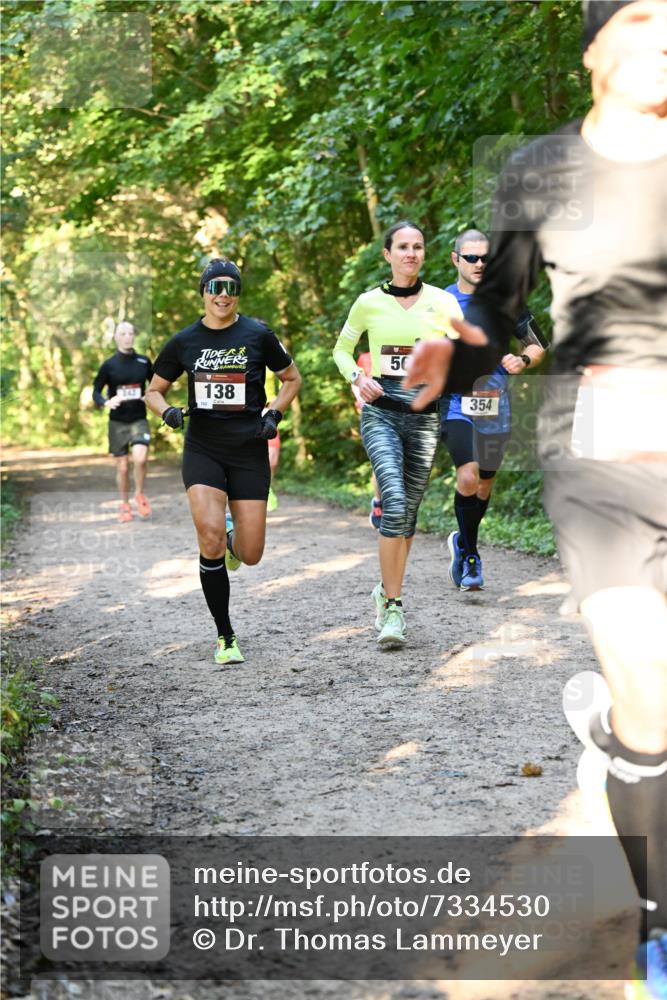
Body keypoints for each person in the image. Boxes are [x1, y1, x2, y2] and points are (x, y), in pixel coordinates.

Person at [405, 2, 667, 994]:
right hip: (599, 457)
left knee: (659, 713)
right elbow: (500, 309)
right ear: (594, 42)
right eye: (641, 16)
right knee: (650, 689)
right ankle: (656, 931)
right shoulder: (538, 172)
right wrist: (456, 343)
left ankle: (621, 758)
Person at [145, 259, 302, 666]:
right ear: (203, 291)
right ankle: (225, 635)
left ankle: (234, 543)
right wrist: (167, 413)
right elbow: (154, 391)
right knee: (209, 536)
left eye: (231, 287)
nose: (223, 294)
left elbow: (292, 379)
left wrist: (274, 414)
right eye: (215, 287)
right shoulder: (184, 341)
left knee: (251, 554)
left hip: (249, 449)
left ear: (237, 294)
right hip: (204, 448)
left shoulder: (257, 334)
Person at [333, 221, 462, 649]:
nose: (411, 253)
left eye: (418, 247)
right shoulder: (368, 303)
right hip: (381, 411)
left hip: (423, 416)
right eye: (402, 247)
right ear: (387, 254)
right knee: (393, 500)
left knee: (407, 515)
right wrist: (357, 377)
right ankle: (393, 608)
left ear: (424, 254)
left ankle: (383, 590)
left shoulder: (443, 302)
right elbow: (341, 349)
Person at [441, 229, 546, 591]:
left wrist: (522, 359)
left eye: (486, 258)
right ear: (456, 260)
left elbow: (538, 344)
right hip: (455, 403)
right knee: (467, 476)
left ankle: (462, 540)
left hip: (495, 405)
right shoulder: (440, 301)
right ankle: (471, 556)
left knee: (484, 483)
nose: (479, 264)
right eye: (471, 257)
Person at [92, 321, 153, 523]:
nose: (127, 337)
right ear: (116, 337)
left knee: (141, 458)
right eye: (123, 333)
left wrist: (150, 396)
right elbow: (96, 392)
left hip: (139, 419)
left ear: (134, 336)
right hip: (117, 422)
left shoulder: (144, 362)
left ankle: (140, 494)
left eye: (130, 333)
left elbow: (156, 386)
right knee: (123, 468)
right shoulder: (109, 365)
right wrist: (106, 402)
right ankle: (125, 504)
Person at [351, 350, 383, 529]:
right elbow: (355, 380)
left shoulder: (407, 349)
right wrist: (361, 400)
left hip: (402, 413)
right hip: (372, 413)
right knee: (379, 460)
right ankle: (378, 502)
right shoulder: (365, 357)